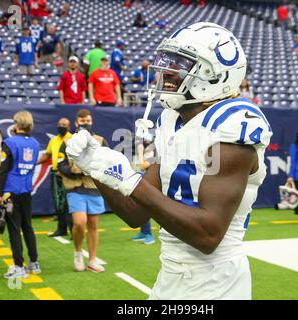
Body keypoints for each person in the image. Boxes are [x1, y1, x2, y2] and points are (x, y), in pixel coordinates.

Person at [66, 22, 272, 300]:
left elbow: (208, 235)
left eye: (179, 63)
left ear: (213, 75)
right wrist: (97, 168)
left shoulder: (230, 125)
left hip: (216, 280)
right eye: (166, 60)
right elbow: (134, 212)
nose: (165, 71)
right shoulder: (174, 120)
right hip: (171, 273)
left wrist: (130, 181)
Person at [58, 109, 108, 273]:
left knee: (93, 225)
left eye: (88, 120)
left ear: (91, 121)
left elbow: (108, 162)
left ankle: (92, 260)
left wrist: (94, 169)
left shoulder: (100, 140)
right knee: (79, 223)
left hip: (94, 188)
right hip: (75, 187)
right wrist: (73, 170)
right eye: (82, 120)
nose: (85, 123)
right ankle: (78, 253)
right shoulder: (67, 142)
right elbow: (61, 165)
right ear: (76, 122)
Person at [0, 111, 40, 279]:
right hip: (26, 190)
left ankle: (18, 267)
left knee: (14, 229)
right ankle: (34, 263)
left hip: (10, 192)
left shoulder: (9, 142)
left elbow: (3, 170)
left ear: (16, 124)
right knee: (28, 226)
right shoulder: (35, 143)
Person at [37, 118, 73, 237]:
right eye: (60, 124)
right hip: (55, 175)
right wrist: (33, 163)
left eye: (64, 125)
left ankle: (73, 230)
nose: (61, 126)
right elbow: (47, 155)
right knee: (58, 203)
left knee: (70, 202)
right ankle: (62, 229)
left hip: (69, 175)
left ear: (69, 127)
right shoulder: (53, 140)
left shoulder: (73, 139)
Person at [131, 132, 155, 245]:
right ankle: (144, 231)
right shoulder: (134, 153)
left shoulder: (152, 152)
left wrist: (140, 152)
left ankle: (149, 234)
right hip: (139, 182)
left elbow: (143, 165)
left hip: (151, 185)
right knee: (138, 206)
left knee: (145, 207)